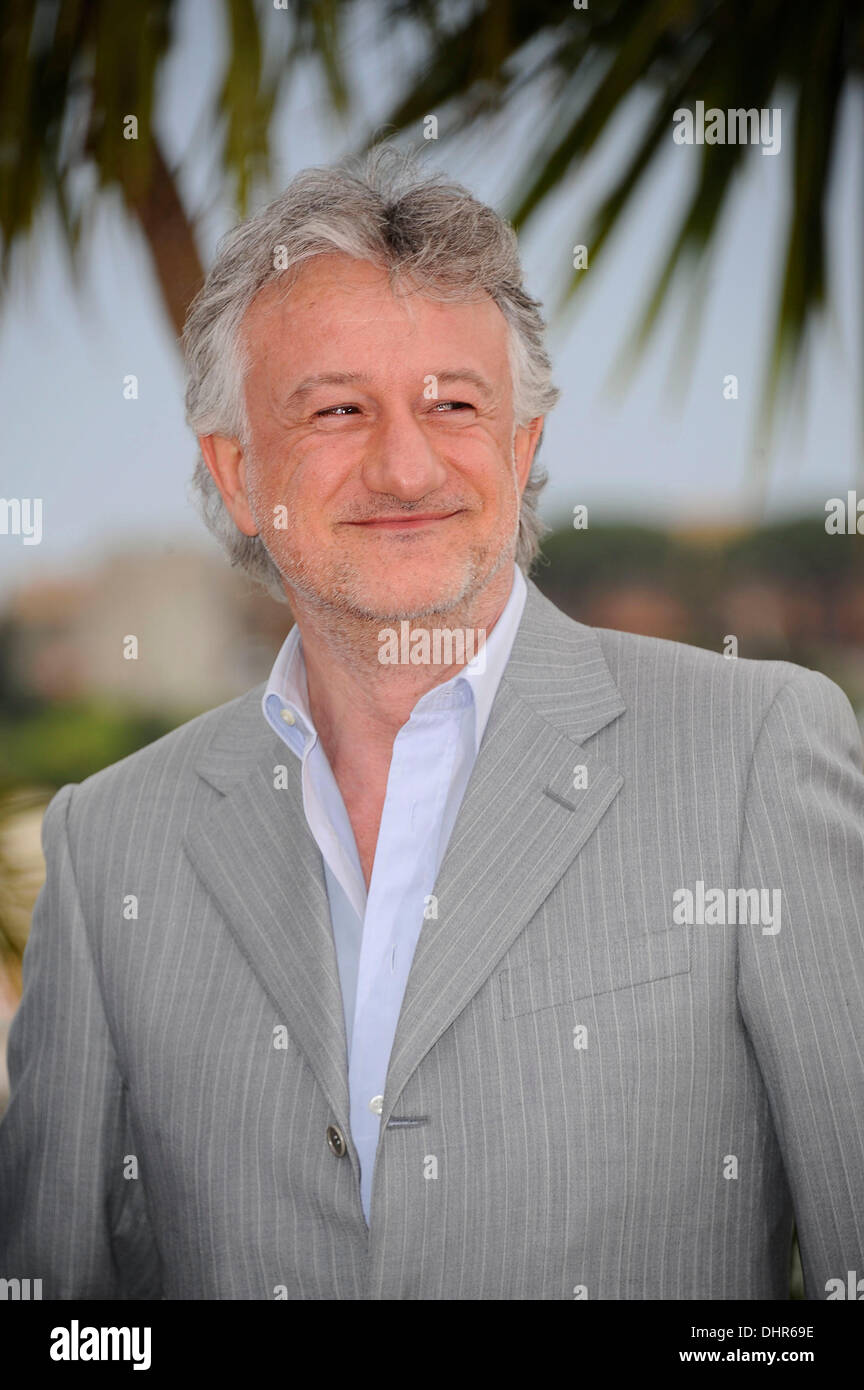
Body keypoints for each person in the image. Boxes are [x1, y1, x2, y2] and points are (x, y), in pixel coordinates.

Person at [1, 151, 863, 1300]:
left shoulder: (758, 753)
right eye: (338, 409)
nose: (405, 465)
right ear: (238, 466)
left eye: (454, 404)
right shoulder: (111, 840)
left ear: (521, 448)